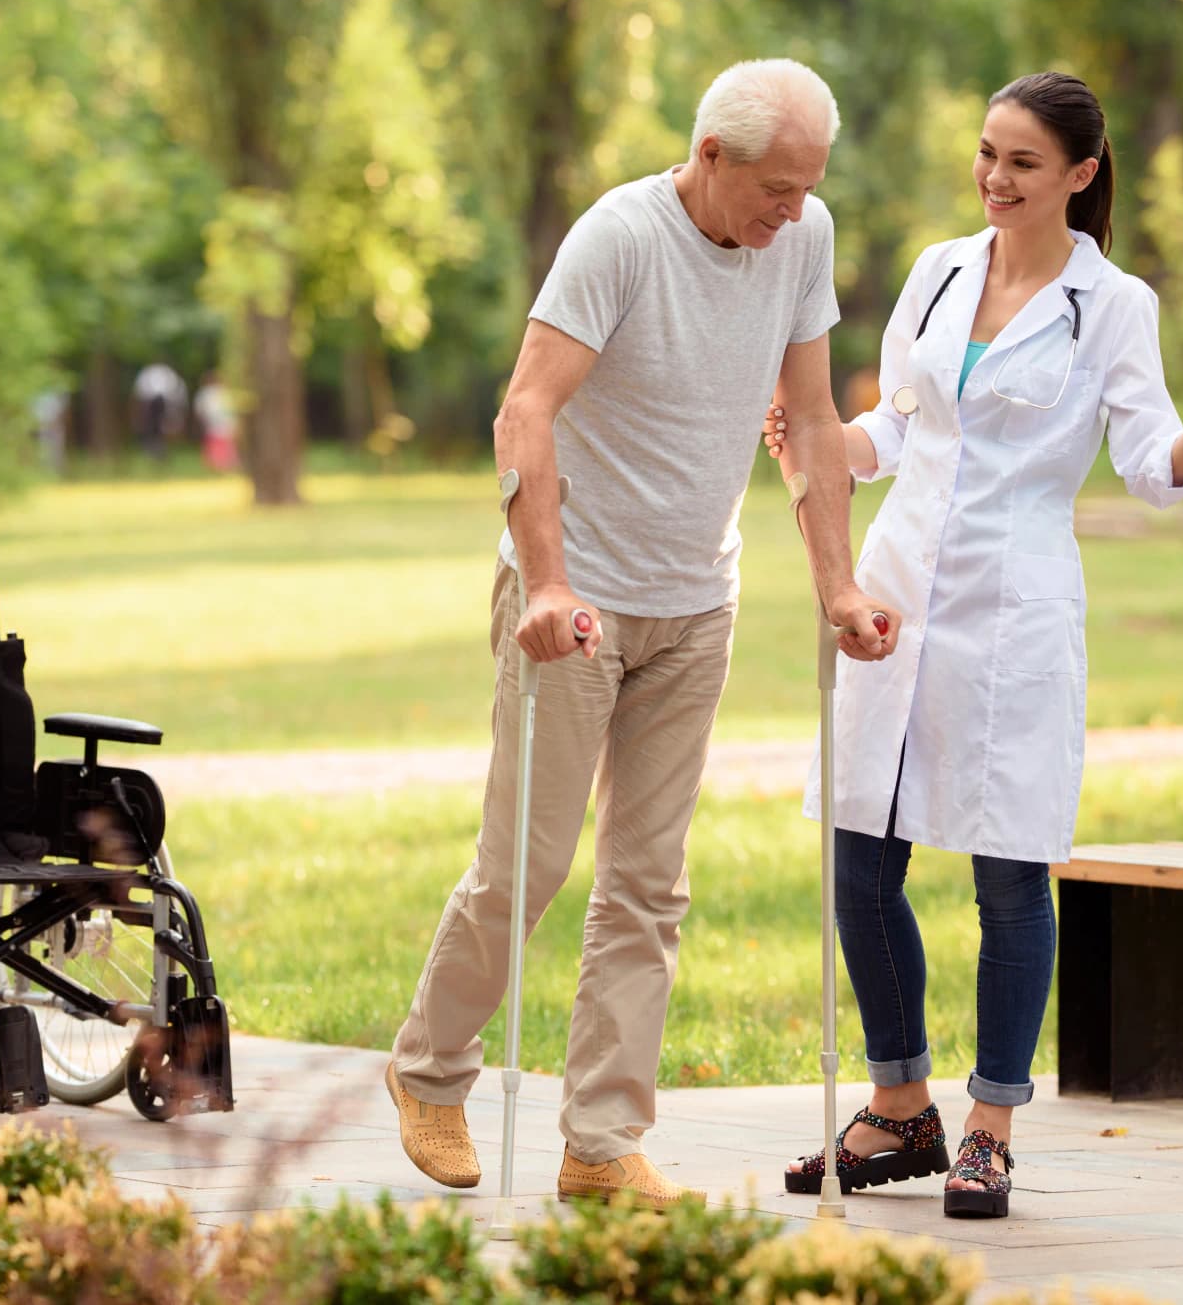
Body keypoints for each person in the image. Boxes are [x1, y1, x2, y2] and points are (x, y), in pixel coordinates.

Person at [386, 58, 900, 1210]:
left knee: (648, 884)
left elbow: (811, 423)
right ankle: (428, 1068)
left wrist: (837, 587)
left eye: (807, 187)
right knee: (529, 863)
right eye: (774, 187)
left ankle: (600, 1142)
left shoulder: (798, 237)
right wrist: (547, 586)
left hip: (695, 600)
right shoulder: (616, 238)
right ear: (709, 156)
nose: (791, 211)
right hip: (575, 602)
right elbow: (525, 408)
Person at [764, 72, 1183, 1219]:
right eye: (986, 154)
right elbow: (893, 423)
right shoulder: (939, 270)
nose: (994, 179)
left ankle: (989, 1126)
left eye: (1022, 163)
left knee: (1007, 871)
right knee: (858, 858)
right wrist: (821, 438)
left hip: (1015, 607)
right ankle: (898, 1108)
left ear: (1080, 176)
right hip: (894, 592)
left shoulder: (1112, 305)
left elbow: (1148, 465)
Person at [131, 361, 188, 459]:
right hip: (156, 402)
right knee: (155, 429)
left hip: (158, 402)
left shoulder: (151, 372)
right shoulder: (167, 373)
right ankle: (156, 450)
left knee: (160, 429)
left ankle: (159, 451)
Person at [193, 371, 239, 472]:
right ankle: (223, 462)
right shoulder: (222, 392)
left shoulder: (206, 393)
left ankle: (217, 462)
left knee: (216, 442)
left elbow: (200, 410)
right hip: (222, 423)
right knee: (222, 442)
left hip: (215, 423)